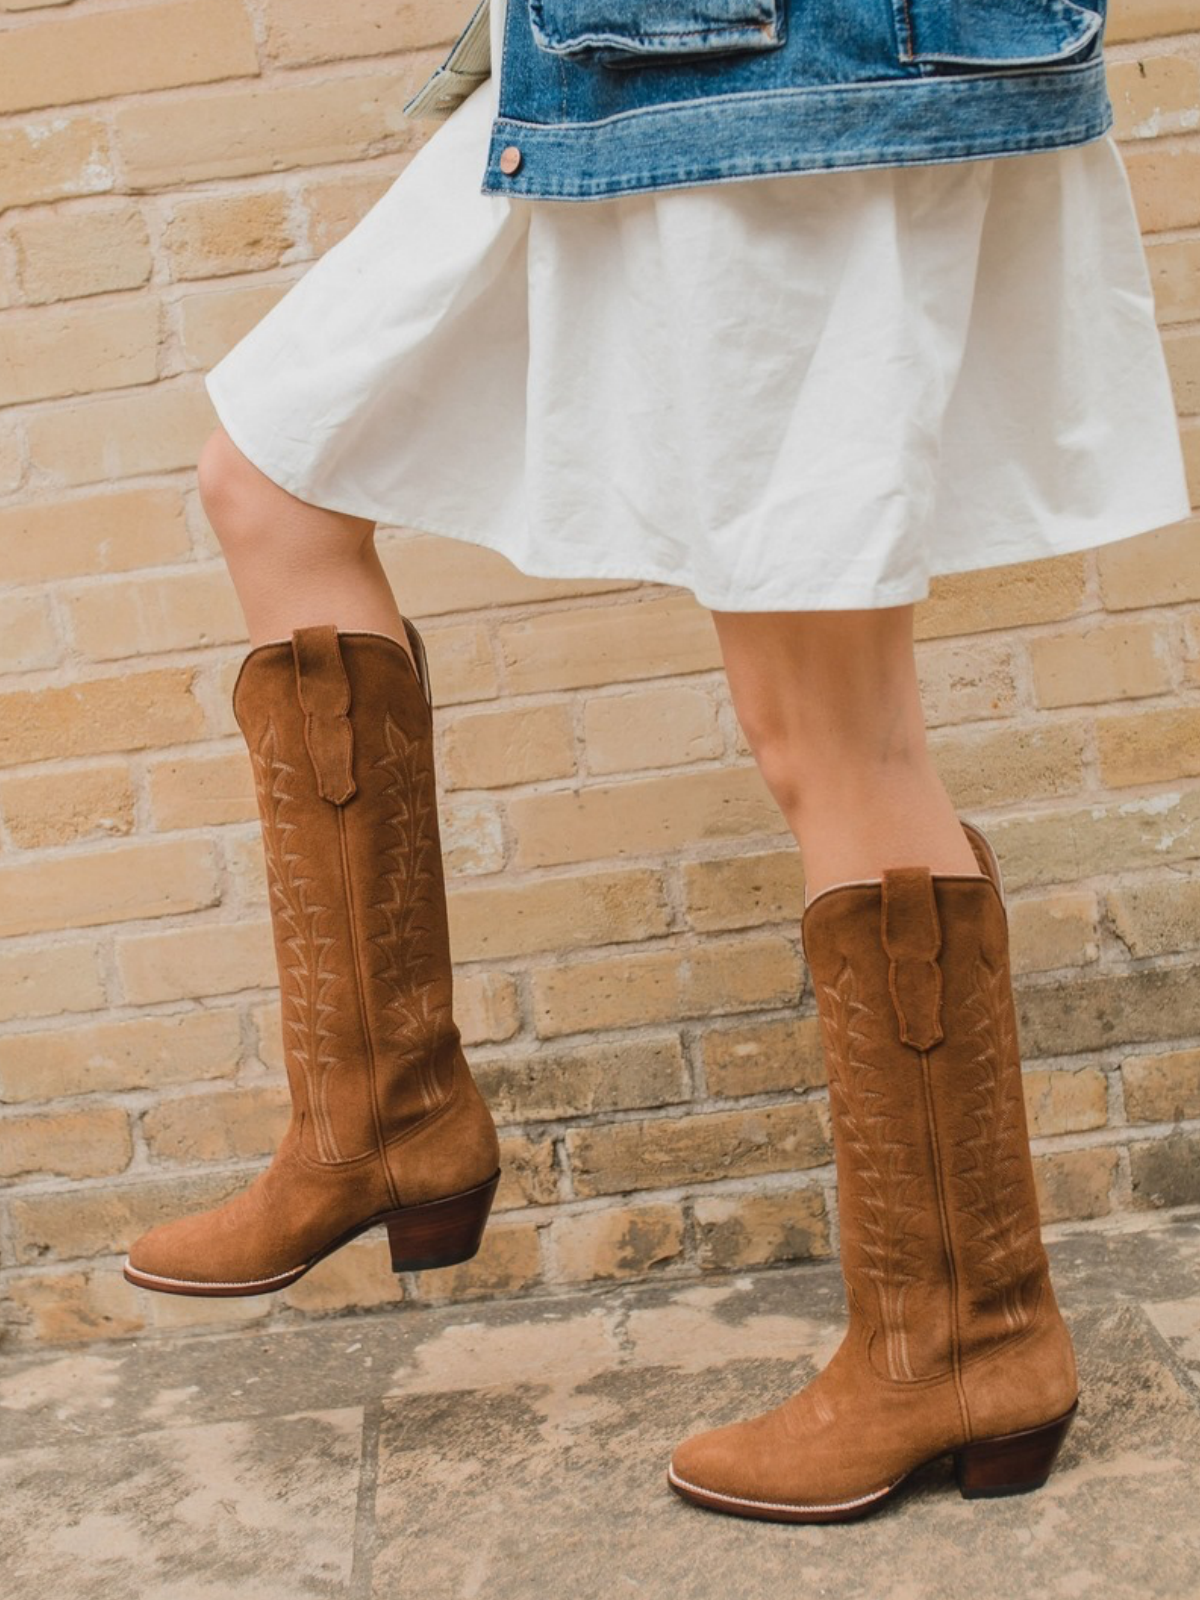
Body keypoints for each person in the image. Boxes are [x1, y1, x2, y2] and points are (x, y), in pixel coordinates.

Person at [122, 0, 1191, 1523]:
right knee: (270, 480)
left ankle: (964, 1333)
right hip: (608, 63)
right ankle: (381, 1118)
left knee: (831, 729)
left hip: (794, 82)